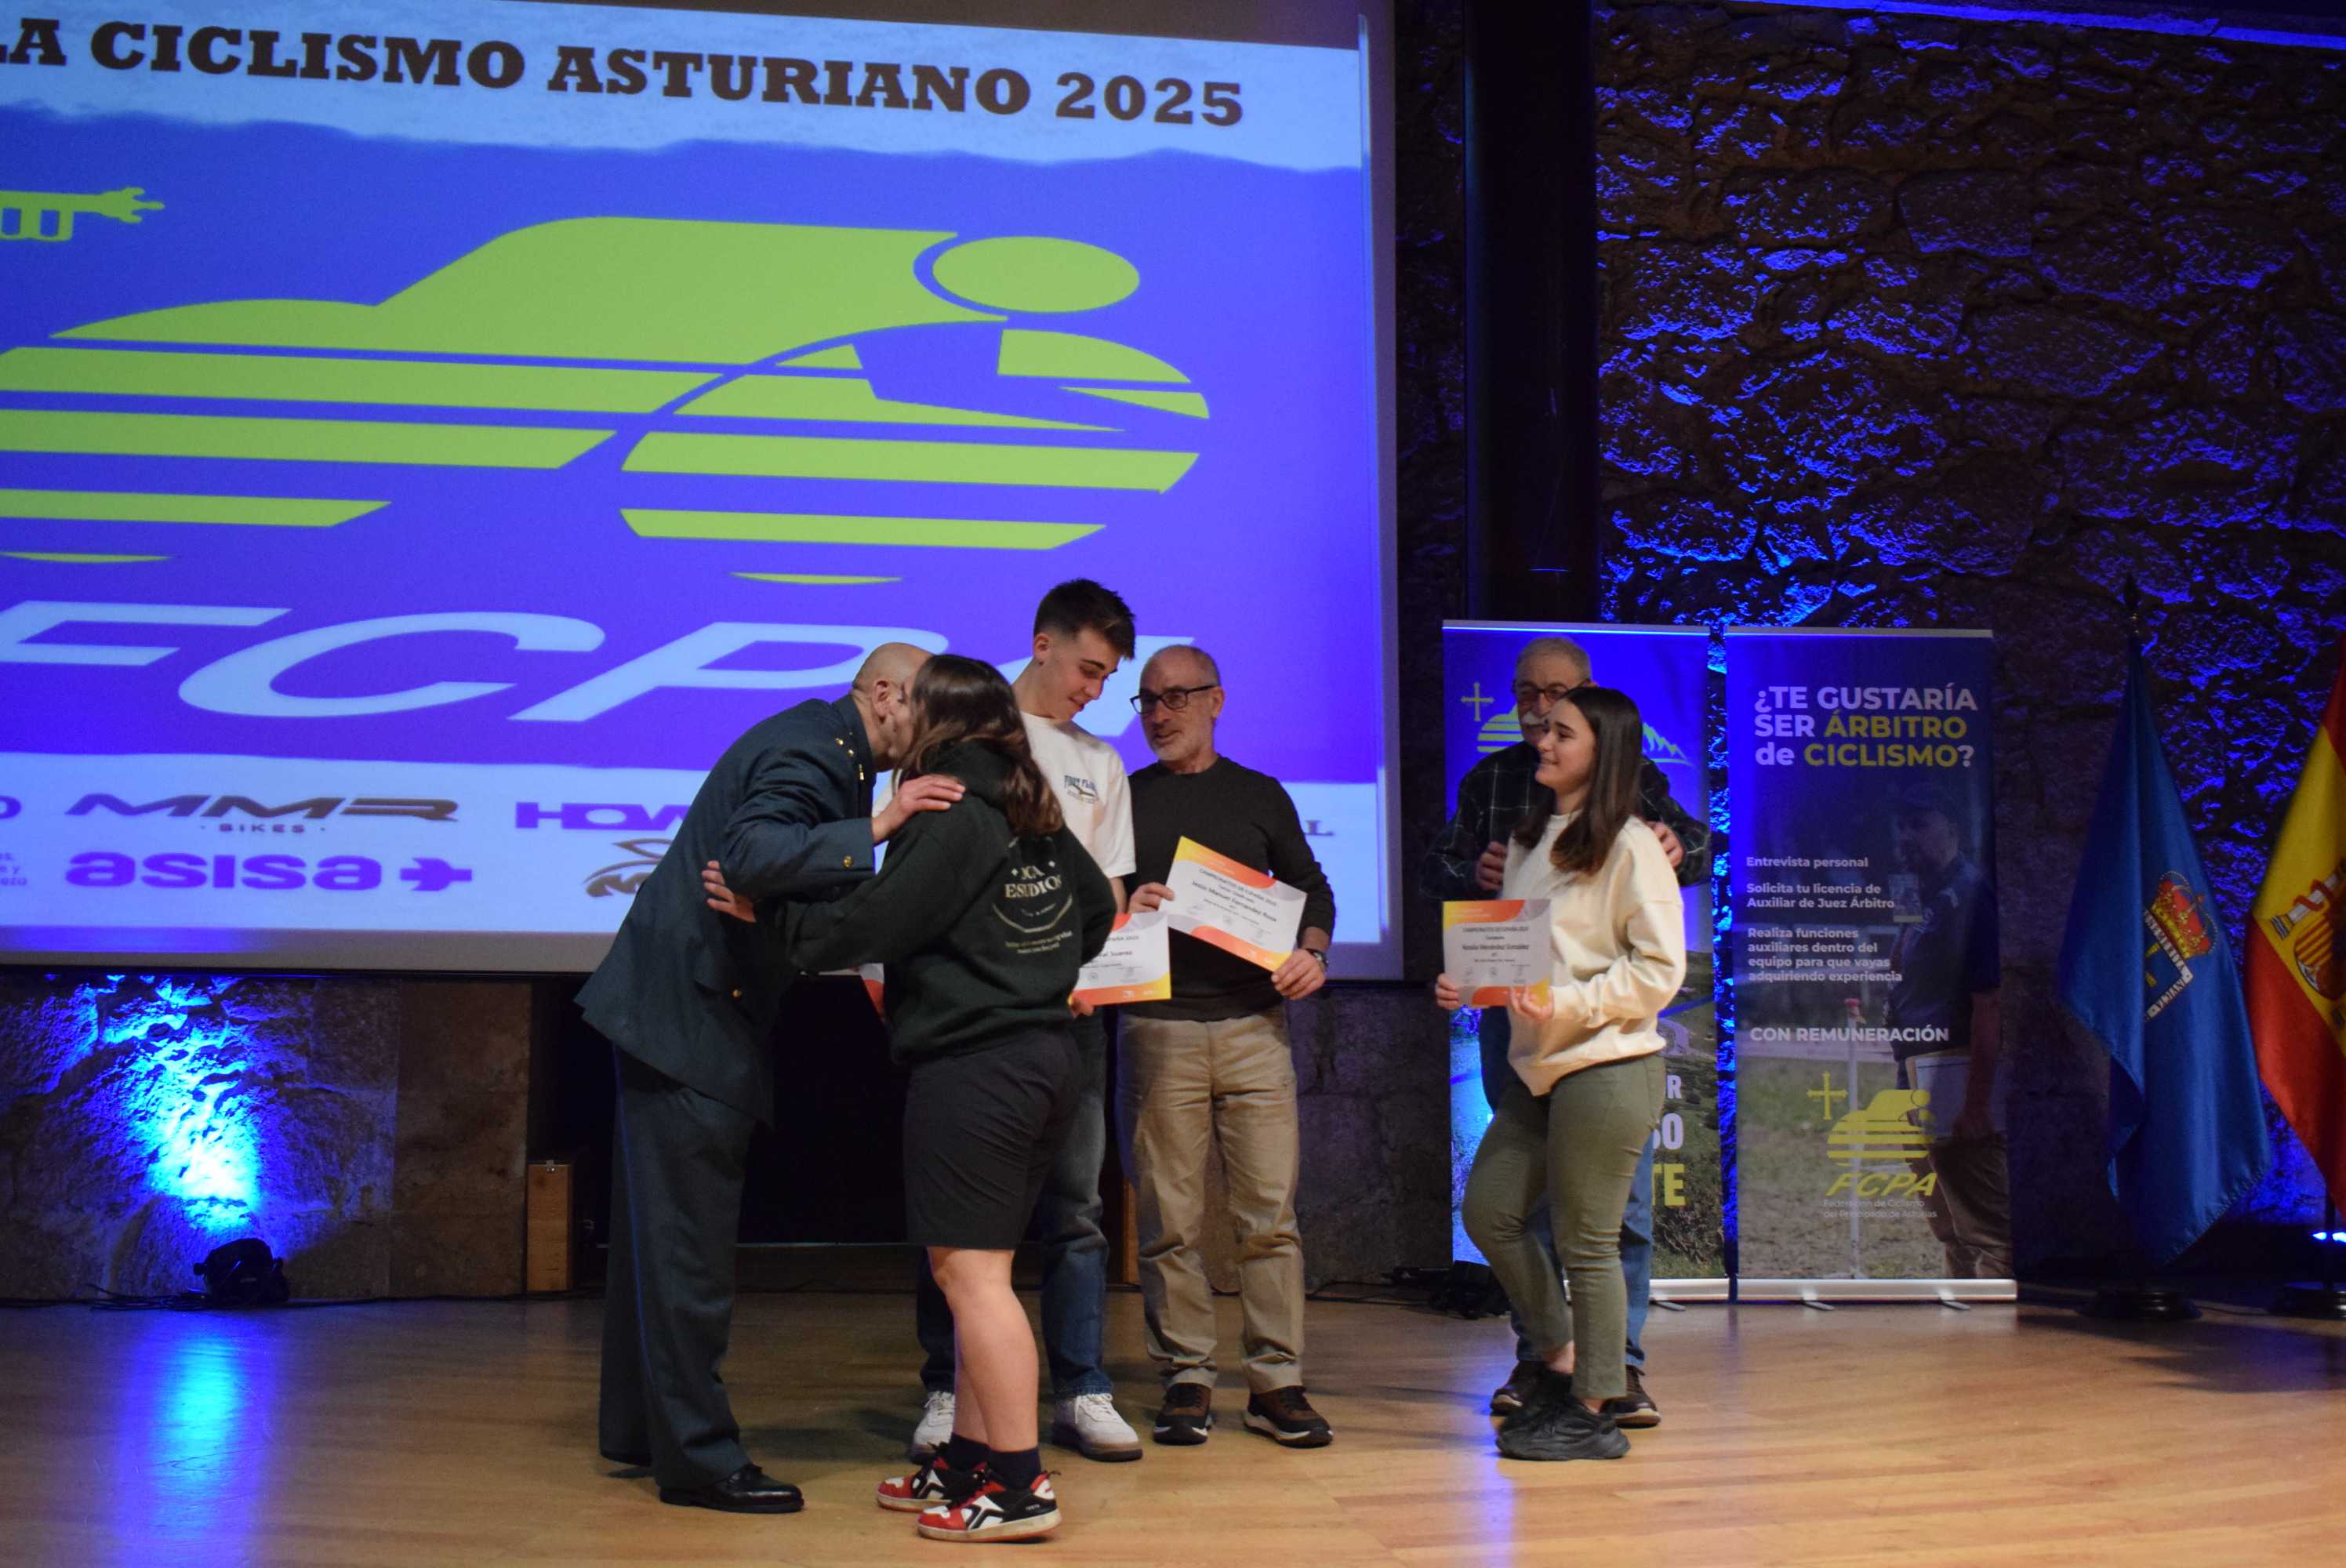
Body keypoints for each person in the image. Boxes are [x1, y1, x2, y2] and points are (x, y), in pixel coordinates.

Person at [580, 641, 959, 1513]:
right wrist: (879, 824)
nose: (931, 730)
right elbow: (750, 852)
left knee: (655, 1250)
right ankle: (702, 1459)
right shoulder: (814, 751)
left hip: (671, 1014)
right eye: (927, 707)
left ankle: (647, 1433)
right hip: (689, 1021)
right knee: (686, 1255)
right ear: (885, 695)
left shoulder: (827, 748)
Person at [775, 654, 1119, 1542]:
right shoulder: (1026, 799)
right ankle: (967, 1455)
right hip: (1043, 1055)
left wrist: (777, 924)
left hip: (978, 1066)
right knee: (972, 1269)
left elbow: (878, 921)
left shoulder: (945, 802)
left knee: (974, 1276)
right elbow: (1091, 906)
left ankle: (1018, 1485)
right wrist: (1029, 973)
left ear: (932, 721)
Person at [1421, 633, 1701, 1428]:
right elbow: (1509, 946)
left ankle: (1598, 1395)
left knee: (1592, 1237)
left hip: (1604, 1063)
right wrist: (1464, 983)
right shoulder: (1525, 838)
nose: (1540, 732)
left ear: (1599, 749)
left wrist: (1567, 1003)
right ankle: (1558, 1351)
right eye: (1535, 714)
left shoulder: (1634, 843)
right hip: (1533, 1069)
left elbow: (1658, 971)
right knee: (1492, 1213)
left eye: (1561, 726)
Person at [902, 579, 1146, 1463]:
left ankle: (1081, 1385)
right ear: (1041, 642)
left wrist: (1094, 958)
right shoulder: (962, 738)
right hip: (967, 1014)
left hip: (1068, 1018)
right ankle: (947, 1388)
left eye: (1108, 675)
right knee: (958, 1219)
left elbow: (1108, 892)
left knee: (1075, 1208)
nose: (1094, 687)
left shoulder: (1101, 761)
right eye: (1087, 667)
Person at [1117, 644, 1338, 1448]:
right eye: (1146, 700)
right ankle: (1186, 1374)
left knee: (1268, 1216)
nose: (1159, 714)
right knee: (1171, 1219)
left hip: (1253, 1026)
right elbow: (1089, 899)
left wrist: (1312, 948)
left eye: (1176, 697)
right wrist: (1121, 904)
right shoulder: (1122, 796)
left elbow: (1314, 887)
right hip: (1158, 1026)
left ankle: (1275, 1379)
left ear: (1216, 700)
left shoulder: (1258, 793)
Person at [1885, 784, 2010, 1279]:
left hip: (1952, 1071)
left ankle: (1995, 1338)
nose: (1906, 837)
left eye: (1919, 825)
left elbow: (1990, 1004)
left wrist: (1976, 1102)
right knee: (1947, 1218)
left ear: (1954, 830)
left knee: (1987, 1225)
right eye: (1901, 827)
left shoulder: (1971, 897)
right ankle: (1959, 1313)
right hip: (1915, 1067)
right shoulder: (1926, 894)